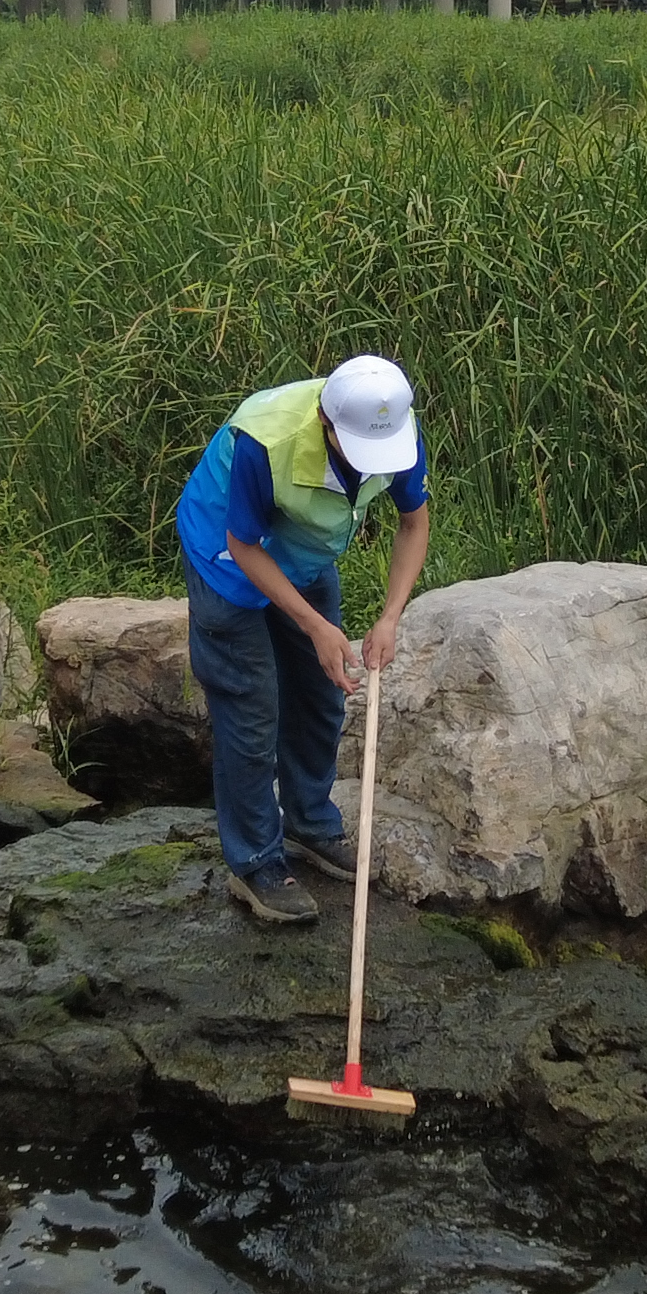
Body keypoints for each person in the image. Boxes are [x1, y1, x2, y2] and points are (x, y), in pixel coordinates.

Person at [173, 355, 433, 927]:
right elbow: (244, 545)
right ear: (324, 421)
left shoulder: (392, 423)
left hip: (305, 553)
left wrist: (390, 617)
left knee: (324, 688)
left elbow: (413, 522)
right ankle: (256, 862)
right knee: (251, 709)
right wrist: (314, 625)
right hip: (228, 559)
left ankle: (311, 823)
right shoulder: (264, 442)